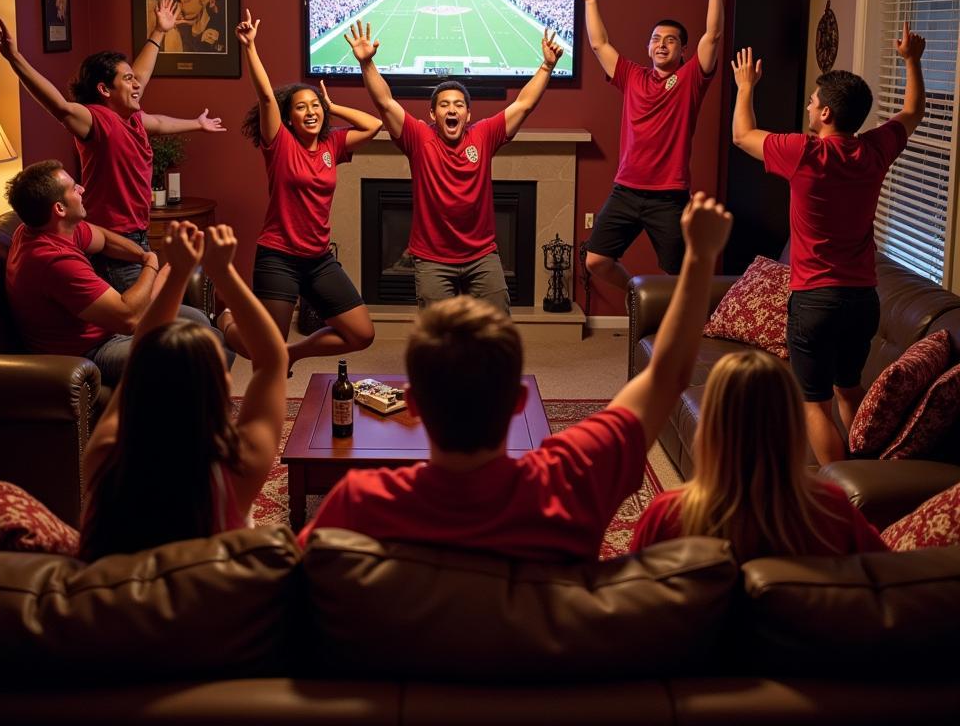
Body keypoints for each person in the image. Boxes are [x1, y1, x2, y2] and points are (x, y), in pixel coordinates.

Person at [298, 193, 733, 561]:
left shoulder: (359, 503)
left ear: (411, 403)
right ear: (517, 401)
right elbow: (669, 375)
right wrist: (699, 256)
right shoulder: (571, 479)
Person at [730, 22, 926, 464]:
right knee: (848, 387)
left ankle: (840, 491)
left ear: (825, 115)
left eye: (813, 101)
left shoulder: (806, 153)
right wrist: (912, 62)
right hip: (862, 300)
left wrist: (745, 87)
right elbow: (914, 111)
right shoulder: (875, 149)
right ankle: (862, 477)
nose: (808, 104)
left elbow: (742, 135)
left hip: (815, 300)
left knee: (812, 403)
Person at [80, 221, 287, 561]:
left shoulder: (105, 456)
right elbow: (273, 359)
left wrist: (177, 275)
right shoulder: (238, 468)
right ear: (219, 386)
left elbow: (141, 357)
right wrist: (224, 273)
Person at [0, 11, 226, 292]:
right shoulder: (95, 120)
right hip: (111, 241)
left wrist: (160, 31)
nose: (136, 84)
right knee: (143, 320)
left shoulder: (134, 118)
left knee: (154, 313)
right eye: (127, 80)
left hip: (138, 235)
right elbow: (59, 106)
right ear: (104, 89)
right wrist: (15, 58)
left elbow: (161, 120)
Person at [349, 19, 564, 315]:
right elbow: (385, 103)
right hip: (432, 258)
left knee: (496, 330)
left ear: (468, 113)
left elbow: (523, 104)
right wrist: (367, 64)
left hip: (482, 256)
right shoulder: (419, 137)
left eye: (459, 104)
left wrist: (546, 67)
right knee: (438, 339)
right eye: (444, 105)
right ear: (433, 114)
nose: (452, 109)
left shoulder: (484, 134)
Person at [630, 350, 887, 559]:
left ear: (711, 428)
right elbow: (885, 577)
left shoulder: (668, 514)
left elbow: (636, 598)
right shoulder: (832, 509)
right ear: (793, 428)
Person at [577, 0, 728, 296]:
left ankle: (671, 326)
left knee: (679, 278)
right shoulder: (631, 76)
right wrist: (590, 0)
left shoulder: (691, 78)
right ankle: (639, 295)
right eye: (657, 39)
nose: (662, 45)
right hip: (625, 190)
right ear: (648, 47)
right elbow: (599, 43)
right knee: (596, 261)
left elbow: (713, 36)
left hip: (669, 197)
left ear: (683, 50)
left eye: (671, 40)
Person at [236, 9, 380, 370]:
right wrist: (251, 47)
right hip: (279, 257)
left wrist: (333, 104)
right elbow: (267, 99)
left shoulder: (333, 145)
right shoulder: (279, 143)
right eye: (302, 107)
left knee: (362, 334)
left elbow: (374, 124)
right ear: (289, 117)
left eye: (315, 106)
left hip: (318, 260)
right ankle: (225, 323)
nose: (311, 112)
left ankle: (294, 354)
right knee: (265, 350)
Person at [4, 159, 226, 386]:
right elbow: (129, 318)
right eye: (73, 188)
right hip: (87, 352)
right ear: (59, 208)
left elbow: (103, 238)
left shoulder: (49, 227)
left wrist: (142, 255)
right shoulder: (54, 261)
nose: (82, 188)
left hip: (105, 327)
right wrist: (153, 265)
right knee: (202, 346)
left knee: (198, 321)